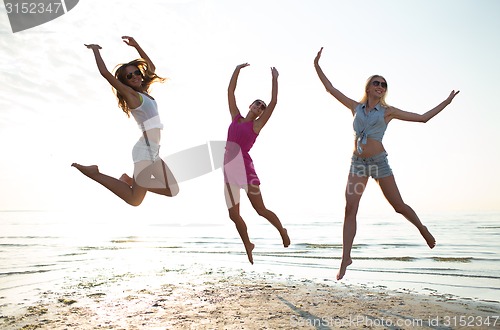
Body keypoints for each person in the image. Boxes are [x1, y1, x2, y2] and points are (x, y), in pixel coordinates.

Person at [314, 47, 459, 280]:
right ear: (368, 88)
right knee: (349, 208)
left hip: (379, 164)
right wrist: (317, 65)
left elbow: (423, 118)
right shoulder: (355, 107)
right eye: (377, 83)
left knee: (398, 206)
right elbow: (331, 89)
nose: (380, 87)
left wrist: (447, 102)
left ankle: (422, 228)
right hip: (358, 165)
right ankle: (345, 258)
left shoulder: (388, 112)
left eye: (384, 84)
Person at [72, 36, 178, 206]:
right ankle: (94, 173)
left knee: (172, 189)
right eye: (129, 76)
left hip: (154, 150)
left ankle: (130, 180)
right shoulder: (132, 95)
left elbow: (152, 67)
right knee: (134, 199)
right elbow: (106, 74)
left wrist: (137, 45)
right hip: (145, 149)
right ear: (125, 82)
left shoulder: (144, 92)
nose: (135, 76)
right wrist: (95, 50)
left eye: (137, 72)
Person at [224, 63, 290, 264]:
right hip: (228, 168)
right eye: (257, 104)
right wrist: (237, 70)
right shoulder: (236, 118)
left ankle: (282, 230)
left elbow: (274, 102)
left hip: (244, 167)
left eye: (262, 107)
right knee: (233, 215)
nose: (259, 107)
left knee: (260, 209)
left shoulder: (257, 125)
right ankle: (248, 245)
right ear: (250, 106)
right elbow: (230, 91)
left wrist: (275, 80)